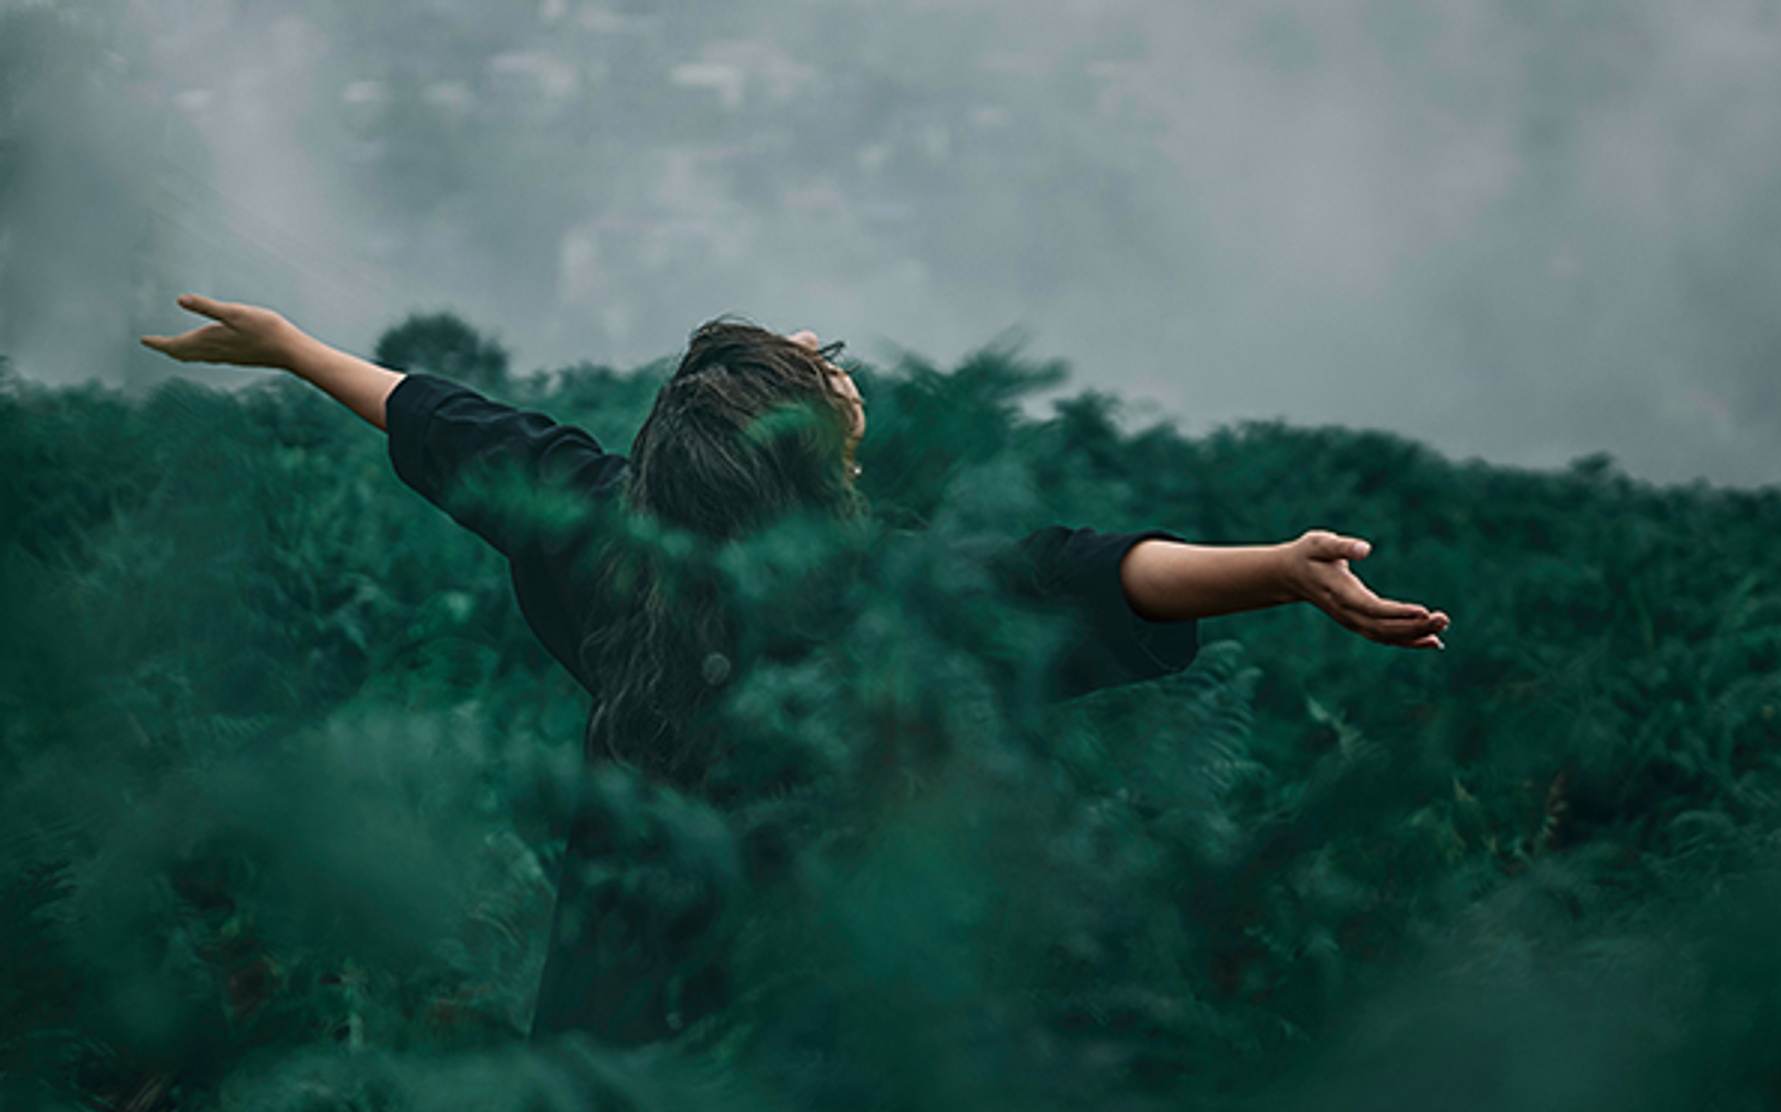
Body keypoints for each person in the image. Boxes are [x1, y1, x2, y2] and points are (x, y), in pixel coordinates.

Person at [141, 293, 1451, 1047]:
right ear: (808, 460)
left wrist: (292, 348)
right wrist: (1276, 570)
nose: (844, 377)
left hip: (612, 1016)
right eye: (831, 390)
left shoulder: (603, 522)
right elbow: (1072, 571)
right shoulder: (868, 584)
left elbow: (447, 427)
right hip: (814, 1028)